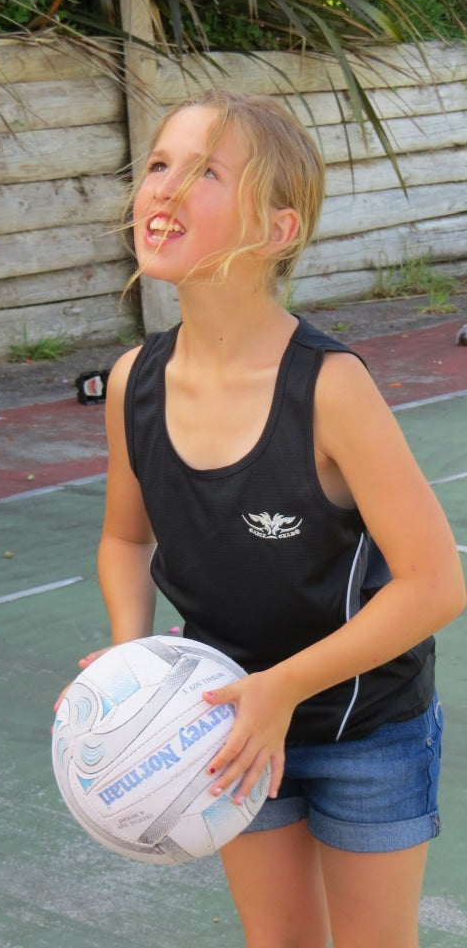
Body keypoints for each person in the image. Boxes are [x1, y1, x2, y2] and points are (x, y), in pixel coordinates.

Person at [78, 91, 466, 947]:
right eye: (158, 165)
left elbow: (436, 584)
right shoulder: (135, 380)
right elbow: (125, 536)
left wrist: (283, 690)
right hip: (224, 729)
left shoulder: (330, 387)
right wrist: (129, 650)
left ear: (278, 230)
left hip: (365, 726)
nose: (164, 190)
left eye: (205, 171)